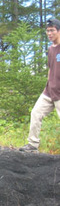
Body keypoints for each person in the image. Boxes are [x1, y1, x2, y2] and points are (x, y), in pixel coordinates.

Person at [19, 17, 60, 153]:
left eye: (52, 30)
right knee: (36, 113)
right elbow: (50, 69)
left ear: (58, 31)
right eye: (47, 31)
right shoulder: (51, 49)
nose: (49, 33)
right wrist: (47, 85)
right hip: (49, 92)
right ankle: (32, 145)